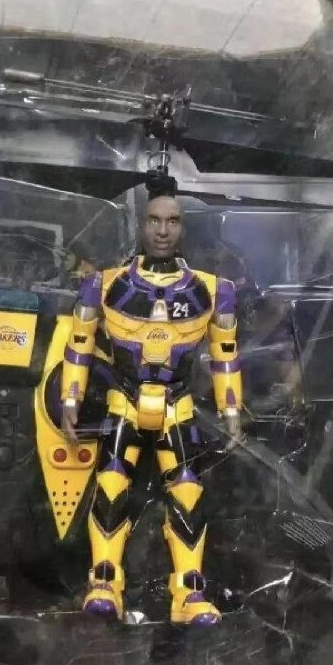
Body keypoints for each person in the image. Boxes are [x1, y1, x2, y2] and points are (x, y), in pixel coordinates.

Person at [61, 192, 242, 626]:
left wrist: (232, 409)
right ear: (141, 225)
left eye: (172, 221)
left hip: (177, 402)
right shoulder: (104, 284)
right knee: (111, 483)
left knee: (187, 490)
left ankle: (189, 593)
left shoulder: (213, 290)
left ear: (183, 227)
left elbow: (226, 354)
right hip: (123, 398)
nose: (163, 230)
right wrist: (70, 399)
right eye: (155, 220)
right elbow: (79, 345)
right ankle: (104, 584)